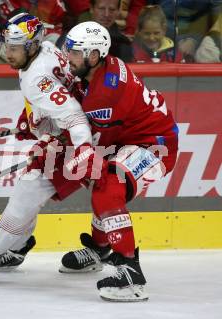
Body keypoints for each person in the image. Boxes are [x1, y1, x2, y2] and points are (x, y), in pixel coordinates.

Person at [0, 13, 101, 282]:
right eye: (6, 45)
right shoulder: (46, 48)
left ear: (32, 46)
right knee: (31, 186)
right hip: (73, 130)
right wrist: (34, 119)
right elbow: (63, 91)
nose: (7, 52)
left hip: (80, 136)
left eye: (14, 47)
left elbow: (74, 115)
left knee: (28, 190)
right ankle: (18, 247)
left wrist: (81, 150)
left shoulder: (36, 78)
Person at [59, 21, 178, 301]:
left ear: (93, 56)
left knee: (107, 185)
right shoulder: (101, 68)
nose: (68, 58)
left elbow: (88, 134)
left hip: (155, 145)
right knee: (101, 184)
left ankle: (129, 271)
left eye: (74, 53)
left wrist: (55, 135)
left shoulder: (106, 93)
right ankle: (100, 249)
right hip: (130, 137)